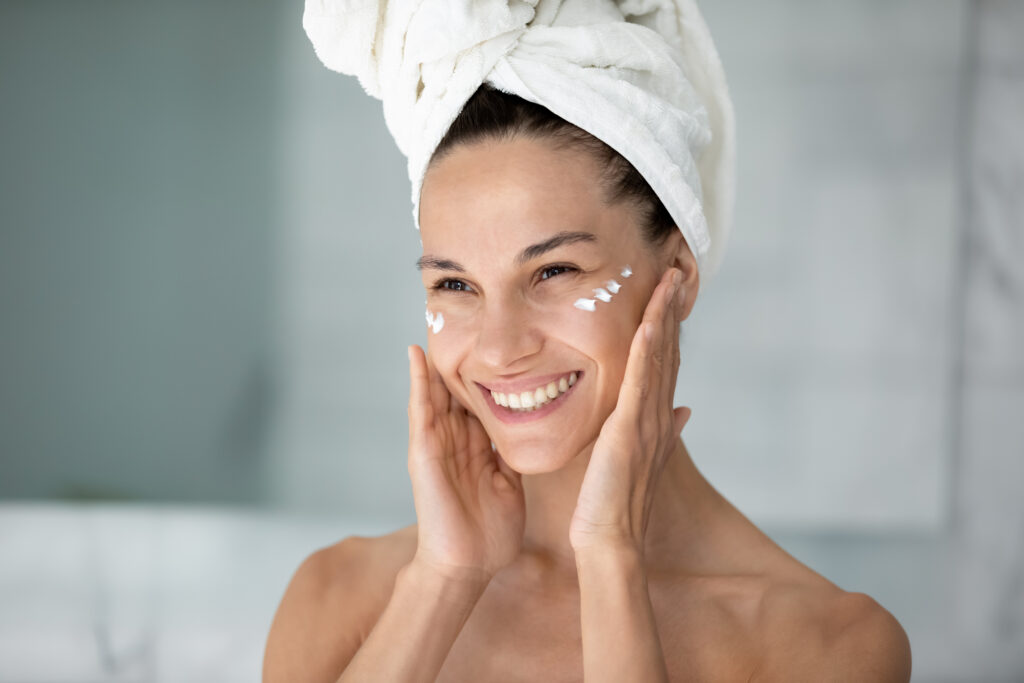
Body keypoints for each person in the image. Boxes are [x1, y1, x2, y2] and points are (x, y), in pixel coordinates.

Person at [265, 1, 911, 680]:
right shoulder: (337, 600)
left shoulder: (827, 646)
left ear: (677, 274)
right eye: (455, 285)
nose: (498, 348)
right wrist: (444, 576)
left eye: (553, 271)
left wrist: (611, 555)